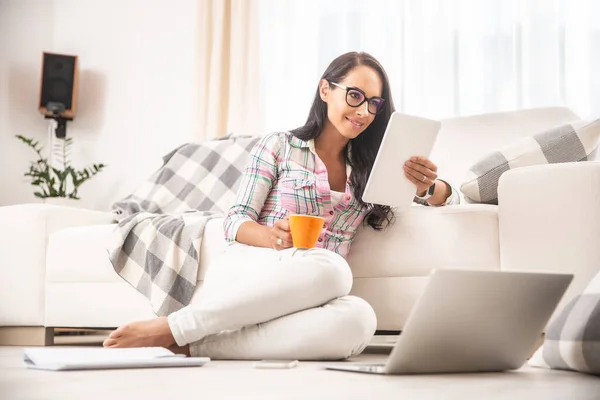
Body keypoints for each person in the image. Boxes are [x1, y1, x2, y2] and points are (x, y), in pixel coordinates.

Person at [103, 51, 458, 360]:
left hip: (313, 290)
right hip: (261, 270)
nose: (364, 111)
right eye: (354, 96)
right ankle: (177, 325)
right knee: (333, 268)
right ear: (325, 90)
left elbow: (443, 198)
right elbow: (235, 221)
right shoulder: (279, 146)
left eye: (373, 103)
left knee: (361, 319)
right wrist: (272, 237)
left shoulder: (371, 167)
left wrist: (429, 186)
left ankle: (192, 346)